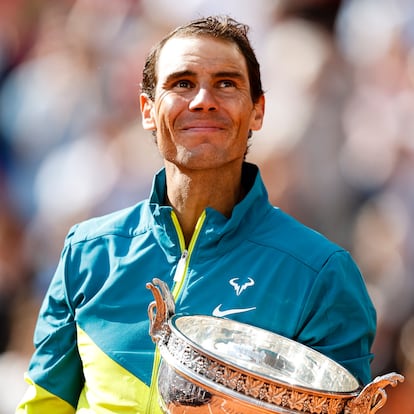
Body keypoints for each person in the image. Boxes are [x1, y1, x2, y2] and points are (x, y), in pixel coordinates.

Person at [16, 15, 376, 413]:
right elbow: (44, 405)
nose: (203, 99)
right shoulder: (88, 252)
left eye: (226, 83)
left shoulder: (321, 273)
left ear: (257, 111)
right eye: (182, 83)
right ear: (148, 111)